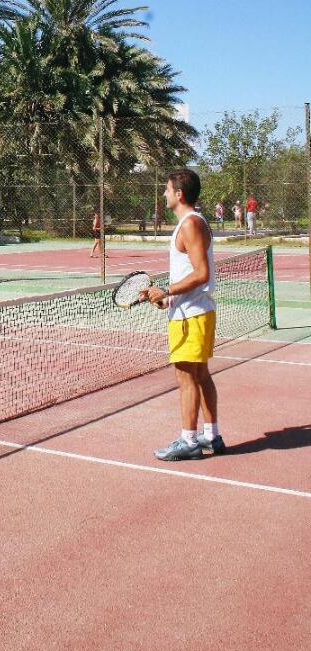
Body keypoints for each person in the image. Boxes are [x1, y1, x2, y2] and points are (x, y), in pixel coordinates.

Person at [140, 169, 225, 460]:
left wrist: (166, 290)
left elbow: (201, 274)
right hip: (190, 311)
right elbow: (193, 275)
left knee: (186, 377)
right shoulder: (191, 224)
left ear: (179, 194)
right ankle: (212, 436)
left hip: (192, 316)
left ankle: (189, 441)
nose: (164, 194)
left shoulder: (190, 224)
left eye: (167, 189)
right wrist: (166, 299)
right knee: (200, 375)